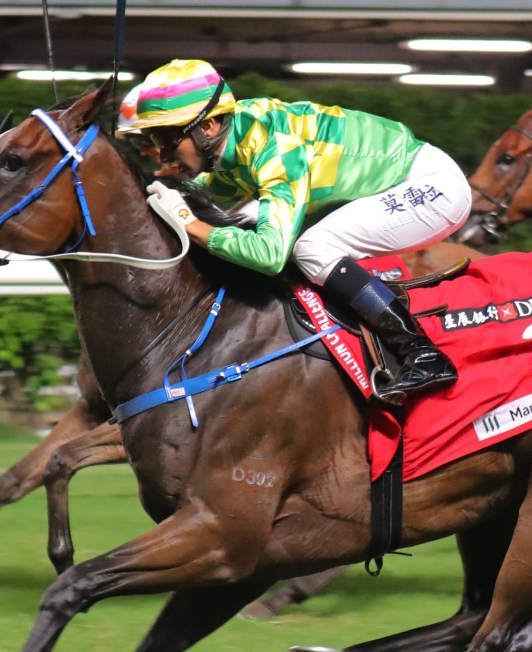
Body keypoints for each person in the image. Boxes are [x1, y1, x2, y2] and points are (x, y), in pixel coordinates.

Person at [129, 59, 472, 403]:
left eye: (168, 141)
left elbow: (268, 256)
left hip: (431, 188)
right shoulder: (234, 138)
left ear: (208, 126)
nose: (162, 155)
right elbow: (217, 201)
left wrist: (190, 222)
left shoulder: (274, 147)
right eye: (154, 142)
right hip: (395, 181)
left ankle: (423, 354)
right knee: (260, 224)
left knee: (311, 248)